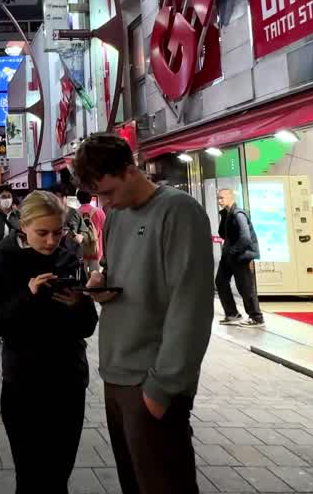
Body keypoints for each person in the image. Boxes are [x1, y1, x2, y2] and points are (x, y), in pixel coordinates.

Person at [75, 134, 213, 494]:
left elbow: (192, 306)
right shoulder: (117, 218)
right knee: (134, 483)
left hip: (152, 379)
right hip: (116, 374)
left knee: (165, 483)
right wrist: (100, 285)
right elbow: (119, 275)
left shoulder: (178, 211)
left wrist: (163, 387)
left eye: (108, 191)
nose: (106, 203)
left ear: (130, 170)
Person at [0, 191, 97, 493]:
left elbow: (88, 327)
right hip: (25, 384)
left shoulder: (68, 257)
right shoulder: (4, 261)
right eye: (41, 233)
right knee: (31, 476)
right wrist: (27, 296)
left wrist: (79, 304)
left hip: (69, 380)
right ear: (24, 228)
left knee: (58, 476)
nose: (50, 241)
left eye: (57, 233)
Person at [215, 188, 264, 327]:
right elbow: (223, 234)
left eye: (222, 198)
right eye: (218, 198)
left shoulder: (238, 214)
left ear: (231, 197)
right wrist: (224, 215)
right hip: (229, 255)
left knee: (245, 286)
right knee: (221, 281)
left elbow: (246, 238)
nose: (219, 201)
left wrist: (234, 250)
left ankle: (256, 317)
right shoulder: (228, 214)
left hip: (240, 256)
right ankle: (232, 314)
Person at [76, 190, 106, 272]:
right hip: (96, 252)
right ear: (90, 198)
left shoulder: (74, 214)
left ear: (78, 199)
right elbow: (105, 232)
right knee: (96, 280)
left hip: (81, 253)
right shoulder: (100, 212)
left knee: (82, 280)